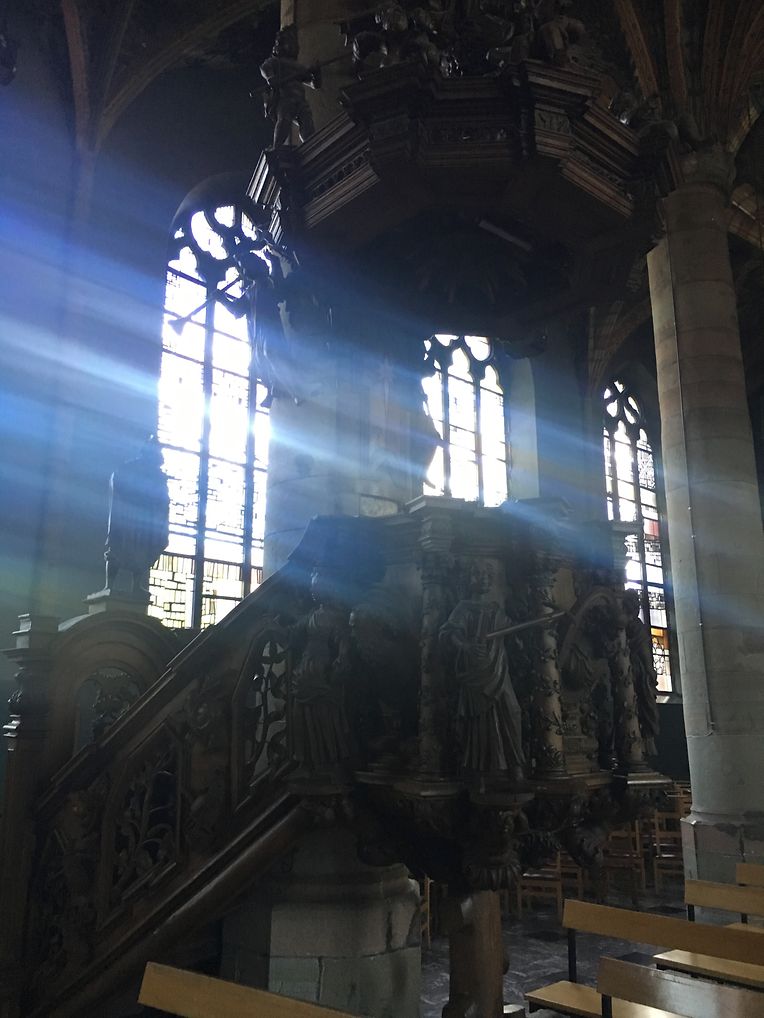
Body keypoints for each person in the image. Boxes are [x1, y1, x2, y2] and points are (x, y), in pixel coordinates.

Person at [440, 562, 525, 782]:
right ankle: (484, 769)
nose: (484, 578)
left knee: (512, 710)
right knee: (481, 719)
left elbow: (511, 631)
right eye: (478, 573)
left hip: (499, 668)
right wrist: (465, 646)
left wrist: (519, 635)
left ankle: (515, 763)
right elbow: (449, 633)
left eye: (488, 574)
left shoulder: (496, 609)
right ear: (469, 579)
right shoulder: (463, 608)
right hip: (476, 670)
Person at [104, 437, 169, 594]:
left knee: (144, 550)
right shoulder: (128, 468)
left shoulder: (158, 475)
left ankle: (136, 584)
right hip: (128, 515)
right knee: (118, 548)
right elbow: (118, 485)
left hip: (147, 518)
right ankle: (109, 585)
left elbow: (163, 497)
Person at [260, 25, 320, 148]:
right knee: (284, 121)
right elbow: (265, 68)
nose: (292, 46)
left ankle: (311, 146)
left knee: (307, 125)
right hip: (285, 98)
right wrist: (271, 78)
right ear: (280, 44)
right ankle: (276, 147)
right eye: (288, 42)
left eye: (293, 43)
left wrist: (316, 74)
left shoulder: (298, 67)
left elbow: (315, 84)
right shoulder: (276, 62)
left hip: (301, 101)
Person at [623, 589, 659, 756]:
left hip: (634, 670)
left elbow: (644, 650)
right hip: (635, 670)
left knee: (642, 704)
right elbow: (644, 652)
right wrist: (650, 670)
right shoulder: (635, 626)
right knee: (643, 702)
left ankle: (647, 739)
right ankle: (646, 739)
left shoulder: (632, 626)